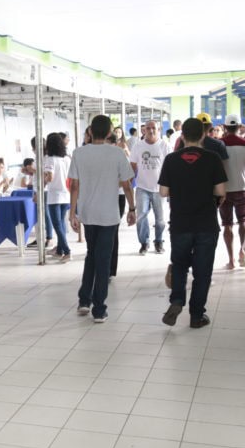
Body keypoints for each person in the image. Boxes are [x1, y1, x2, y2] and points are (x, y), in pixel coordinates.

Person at [159, 118, 227, 329]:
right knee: (202, 271)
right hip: (206, 223)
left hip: (180, 223)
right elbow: (221, 191)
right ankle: (197, 315)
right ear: (204, 135)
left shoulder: (171, 159)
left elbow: (163, 192)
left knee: (179, 265)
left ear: (182, 136)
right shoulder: (213, 158)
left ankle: (177, 300)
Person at [69, 115, 135, 322]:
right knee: (103, 259)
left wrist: (72, 213)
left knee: (91, 254)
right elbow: (127, 185)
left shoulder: (79, 153)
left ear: (90, 132)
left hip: (88, 213)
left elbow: (75, 186)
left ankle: (84, 300)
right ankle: (99, 308)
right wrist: (132, 208)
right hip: (109, 214)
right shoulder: (117, 153)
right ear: (109, 132)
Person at [129, 120, 172, 255]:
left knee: (160, 219)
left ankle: (159, 241)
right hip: (142, 187)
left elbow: (170, 167)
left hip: (160, 188)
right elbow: (133, 166)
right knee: (141, 216)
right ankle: (144, 243)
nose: (151, 130)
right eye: (148, 128)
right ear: (144, 130)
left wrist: (170, 186)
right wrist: (129, 184)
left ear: (159, 129)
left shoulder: (165, 145)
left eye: (154, 128)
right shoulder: (138, 146)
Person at [219, 114, 245, 269]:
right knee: (244, 221)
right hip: (242, 188)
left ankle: (231, 260)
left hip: (224, 190)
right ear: (240, 126)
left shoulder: (220, 144)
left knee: (227, 225)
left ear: (224, 127)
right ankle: (243, 251)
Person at [44, 133, 72, 261]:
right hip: (66, 195)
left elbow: (50, 177)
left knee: (57, 225)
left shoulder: (50, 159)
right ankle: (60, 250)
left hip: (54, 196)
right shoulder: (66, 159)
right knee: (61, 223)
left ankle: (67, 251)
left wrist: (43, 181)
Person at [105, 134, 126, 278]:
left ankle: (110, 269)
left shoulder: (120, 155)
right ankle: (104, 268)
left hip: (117, 196)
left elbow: (125, 180)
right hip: (103, 196)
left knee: (112, 232)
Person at [27, 136, 52, 249]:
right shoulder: (38, 157)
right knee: (39, 215)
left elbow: (46, 174)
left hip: (44, 189)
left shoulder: (47, 158)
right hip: (36, 187)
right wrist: (30, 172)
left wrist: (34, 170)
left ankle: (49, 238)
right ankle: (39, 237)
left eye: (34, 147)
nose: (33, 150)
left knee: (46, 214)